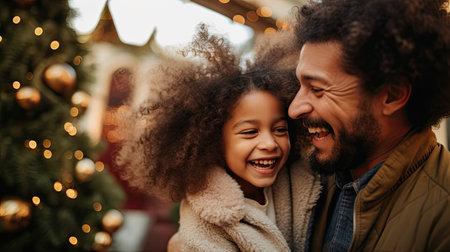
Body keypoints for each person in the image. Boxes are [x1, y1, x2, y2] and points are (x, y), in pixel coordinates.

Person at [116, 25, 321, 251]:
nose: (269, 143)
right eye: (250, 132)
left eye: (280, 130)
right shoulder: (205, 224)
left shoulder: (306, 183)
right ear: (214, 142)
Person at [288, 0, 450, 251]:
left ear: (392, 95)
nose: (294, 108)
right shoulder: (308, 182)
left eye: (317, 89)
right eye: (300, 85)